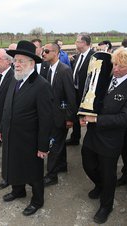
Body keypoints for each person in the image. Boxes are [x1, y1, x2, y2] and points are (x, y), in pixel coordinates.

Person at [80, 47, 127, 224]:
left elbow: (124, 119)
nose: (115, 69)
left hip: (111, 140)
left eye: (120, 66)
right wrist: (83, 115)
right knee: (88, 164)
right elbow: (90, 98)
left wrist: (96, 119)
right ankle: (99, 185)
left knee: (109, 174)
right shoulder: (104, 78)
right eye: (114, 64)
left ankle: (106, 206)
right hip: (93, 134)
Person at [0, 40, 53, 216]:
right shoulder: (15, 79)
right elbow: (7, 107)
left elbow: (46, 119)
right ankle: (18, 190)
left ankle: (37, 200)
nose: (17, 64)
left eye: (21, 61)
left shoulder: (42, 85)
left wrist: (43, 146)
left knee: (34, 172)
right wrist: (2, 128)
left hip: (30, 140)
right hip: (11, 135)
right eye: (16, 60)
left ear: (32, 63)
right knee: (13, 164)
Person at [41, 43, 76, 186]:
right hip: (52, 114)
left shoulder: (64, 70)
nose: (43, 53)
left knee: (54, 145)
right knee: (59, 143)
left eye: (46, 51)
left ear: (55, 53)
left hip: (60, 116)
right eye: (43, 51)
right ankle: (62, 165)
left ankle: (51, 175)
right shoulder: (50, 69)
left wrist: (69, 118)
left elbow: (71, 96)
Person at [66, 34, 95, 146]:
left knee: (87, 117)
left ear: (84, 43)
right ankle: (75, 137)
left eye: (77, 41)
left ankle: (91, 141)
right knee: (75, 114)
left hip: (86, 93)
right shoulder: (79, 56)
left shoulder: (94, 56)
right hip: (75, 91)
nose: (76, 43)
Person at [0, 49, 14, 189]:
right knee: (5, 150)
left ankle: (8, 177)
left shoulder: (13, 77)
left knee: (8, 152)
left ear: (8, 61)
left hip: (7, 122)